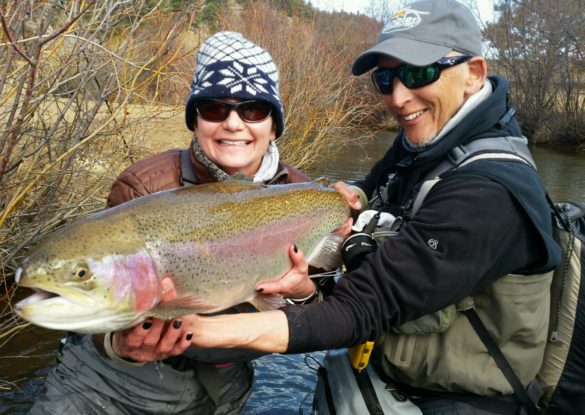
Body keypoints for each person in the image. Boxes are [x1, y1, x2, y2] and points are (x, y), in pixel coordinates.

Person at [151, 1, 563, 414]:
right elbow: (367, 194)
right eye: (386, 79)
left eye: (420, 73)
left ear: (473, 74)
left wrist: (190, 328)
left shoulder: (489, 193)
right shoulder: (425, 144)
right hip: (393, 375)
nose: (399, 98)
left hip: (460, 401)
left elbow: (357, 310)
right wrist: (348, 205)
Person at [28, 31, 319, 415]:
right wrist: (120, 346)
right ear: (195, 119)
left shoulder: (307, 197)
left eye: (252, 109)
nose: (233, 123)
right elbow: (100, 314)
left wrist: (302, 293)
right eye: (214, 109)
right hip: (108, 383)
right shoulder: (143, 187)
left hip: (221, 389)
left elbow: (332, 312)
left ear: (273, 123)